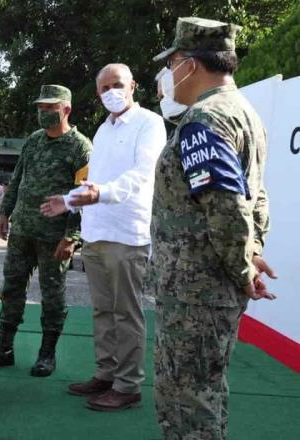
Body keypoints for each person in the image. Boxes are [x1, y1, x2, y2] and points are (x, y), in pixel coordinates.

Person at [146, 17, 276, 439]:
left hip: (195, 291)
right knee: (206, 394)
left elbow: (226, 206)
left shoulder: (205, 119)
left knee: (187, 405)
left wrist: (243, 269)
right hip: (211, 290)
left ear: (189, 63)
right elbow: (255, 200)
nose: (167, 76)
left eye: (171, 64)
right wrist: (250, 257)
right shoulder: (244, 115)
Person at [41, 64, 167, 411]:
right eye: (105, 88)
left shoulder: (150, 124)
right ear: (97, 94)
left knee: (126, 313)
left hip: (128, 233)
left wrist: (101, 195)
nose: (112, 91)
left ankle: (128, 385)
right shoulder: (103, 129)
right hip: (96, 231)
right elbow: (91, 181)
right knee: (102, 311)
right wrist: (68, 201)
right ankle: (106, 373)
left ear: (133, 86)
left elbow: (142, 176)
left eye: (118, 84)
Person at [0, 84, 92, 378]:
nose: (43, 113)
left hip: (54, 236)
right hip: (23, 230)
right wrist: (4, 213)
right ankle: (4, 348)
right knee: (11, 288)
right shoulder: (34, 141)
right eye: (40, 108)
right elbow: (17, 180)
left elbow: (83, 196)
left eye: (49, 108)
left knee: (53, 294)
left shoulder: (80, 147)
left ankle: (47, 353)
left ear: (66, 109)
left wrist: (72, 237)